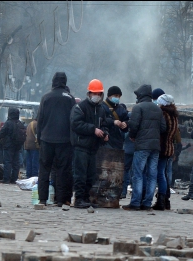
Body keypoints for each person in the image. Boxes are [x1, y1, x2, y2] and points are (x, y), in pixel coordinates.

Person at [70, 79, 113, 208]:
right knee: (80, 174)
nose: (97, 96)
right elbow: (76, 124)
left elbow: (104, 124)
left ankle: (86, 198)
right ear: (89, 93)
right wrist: (92, 129)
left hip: (93, 147)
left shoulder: (101, 110)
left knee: (91, 175)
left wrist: (105, 134)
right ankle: (78, 199)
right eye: (95, 93)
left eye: (99, 94)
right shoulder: (80, 107)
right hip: (81, 146)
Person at [123, 84, 167, 212]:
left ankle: (135, 203)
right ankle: (147, 203)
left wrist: (132, 136)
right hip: (155, 146)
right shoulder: (158, 109)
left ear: (141, 95)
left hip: (142, 145)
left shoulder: (138, 107)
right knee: (152, 175)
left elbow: (134, 125)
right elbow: (163, 128)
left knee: (138, 174)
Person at [36, 72, 76, 206]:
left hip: (46, 138)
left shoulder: (46, 97)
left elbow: (40, 119)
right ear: (65, 82)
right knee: (62, 171)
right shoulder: (70, 98)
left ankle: (42, 199)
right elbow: (73, 121)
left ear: (53, 81)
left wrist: (39, 138)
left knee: (44, 170)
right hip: (64, 140)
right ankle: (60, 200)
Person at [154, 93, 179, 211]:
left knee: (160, 174)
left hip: (162, 147)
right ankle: (165, 200)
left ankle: (161, 200)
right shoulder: (174, 115)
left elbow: (161, 130)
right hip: (169, 147)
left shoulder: (163, 114)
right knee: (164, 173)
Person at [0, 107, 26, 184]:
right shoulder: (20, 123)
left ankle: (6, 178)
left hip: (8, 146)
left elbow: (1, 134)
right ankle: (14, 179)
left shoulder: (8, 123)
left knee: (7, 162)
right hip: (18, 146)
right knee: (16, 163)